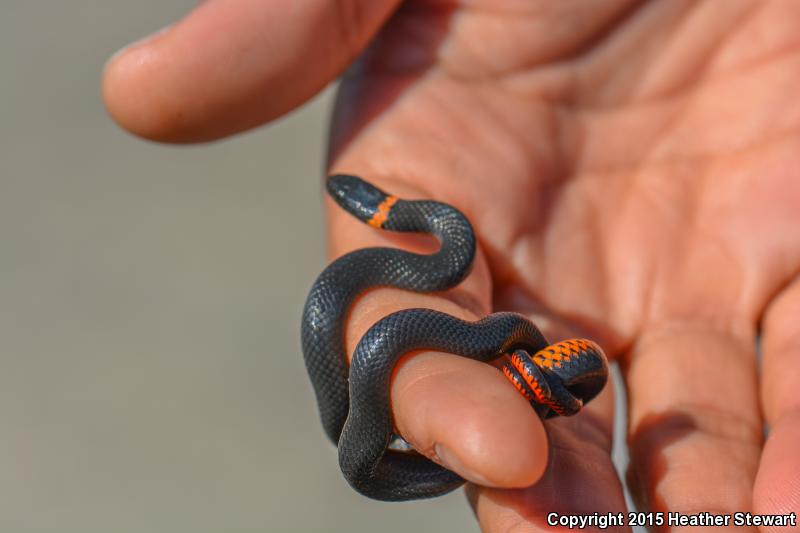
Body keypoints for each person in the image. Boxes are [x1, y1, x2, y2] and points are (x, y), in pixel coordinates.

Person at [102, 1, 800, 530]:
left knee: (390, 374)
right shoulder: (439, 251)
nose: (347, 199)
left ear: (379, 210)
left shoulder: (446, 250)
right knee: (377, 421)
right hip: (420, 414)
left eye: (360, 203)